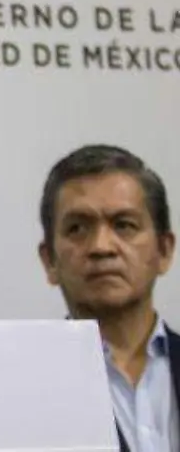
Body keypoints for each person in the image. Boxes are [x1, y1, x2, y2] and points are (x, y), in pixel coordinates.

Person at [36, 144, 178, 452]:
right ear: (49, 261)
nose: (101, 246)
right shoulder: (23, 388)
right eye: (77, 228)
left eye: (124, 225)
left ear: (164, 251)